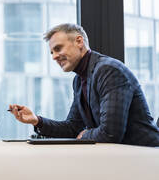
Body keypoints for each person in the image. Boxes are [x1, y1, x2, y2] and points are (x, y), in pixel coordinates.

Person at [9, 23, 159, 146]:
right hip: (122, 159)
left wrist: (86, 134)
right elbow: (73, 127)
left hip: (146, 157)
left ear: (79, 41)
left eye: (58, 48)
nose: (54, 56)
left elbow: (110, 133)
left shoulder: (108, 70)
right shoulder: (80, 80)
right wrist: (37, 120)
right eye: (52, 53)